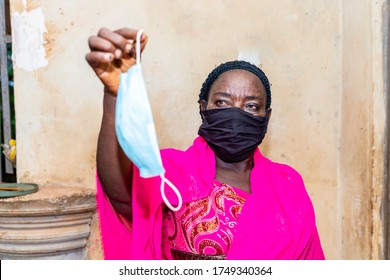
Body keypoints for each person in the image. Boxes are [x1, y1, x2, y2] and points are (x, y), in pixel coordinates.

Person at [86, 27, 325, 260]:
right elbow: (122, 193)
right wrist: (116, 96)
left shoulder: (288, 185)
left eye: (251, 106)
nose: (235, 114)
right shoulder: (173, 172)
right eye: (222, 102)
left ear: (266, 116)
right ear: (203, 109)